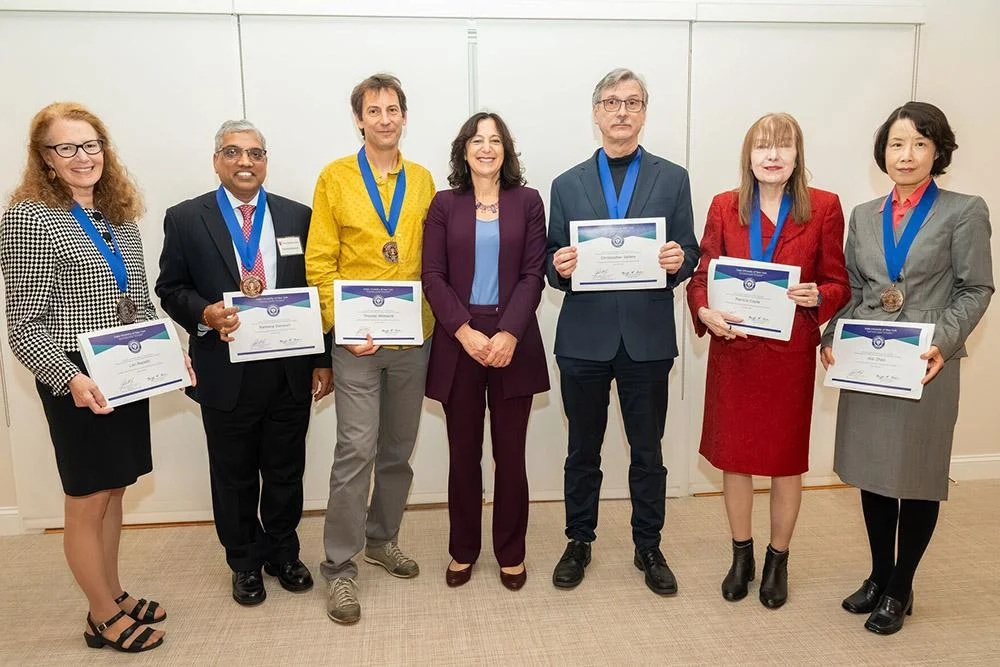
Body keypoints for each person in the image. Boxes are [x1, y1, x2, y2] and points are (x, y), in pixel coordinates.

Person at [0, 102, 190, 652]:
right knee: (85, 497)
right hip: (78, 380)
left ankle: (110, 593)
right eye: (67, 148)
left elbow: (138, 303)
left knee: (116, 488)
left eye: (91, 145)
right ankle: (102, 616)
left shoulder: (117, 214)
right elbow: (24, 327)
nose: (83, 158)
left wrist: (174, 349)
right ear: (45, 158)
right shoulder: (28, 217)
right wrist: (70, 379)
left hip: (125, 369)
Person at [821, 102, 993, 635]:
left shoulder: (964, 210)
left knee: (916, 476)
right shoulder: (863, 214)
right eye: (897, 144)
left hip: (925, 363)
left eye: (919, 143)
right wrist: (832, 334)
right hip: (870, 359)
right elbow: (852, 290)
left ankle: (901, 587)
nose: (906, 154)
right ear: (883, 152)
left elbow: (976, 288)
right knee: (873, 473)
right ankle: (878, 574)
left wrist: (941, 343)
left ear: (938, 151)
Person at [155, 120, 332, 607]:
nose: (245, 162)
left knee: (284, 469)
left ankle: (282, 551)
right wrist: (205, 314)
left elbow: (316, 292)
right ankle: (243, 561)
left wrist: (322, 359)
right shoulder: (187, 217)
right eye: (233, 152)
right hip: (225, 369)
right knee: (232, 474)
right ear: (217, 160)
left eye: (255, 153)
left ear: (266, 161)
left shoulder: (298, 216)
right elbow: (169, 288)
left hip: (288, 369)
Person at [686, 112, 851, 608]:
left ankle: (779, 559)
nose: (772, 155)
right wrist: (705, 310)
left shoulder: (823, 207)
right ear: (749, 156)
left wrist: (816, 296)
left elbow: (839, 283)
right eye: (762, 146)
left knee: (784, 465)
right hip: (734, 353)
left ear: (798, 154)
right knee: (735, 462)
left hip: (788, 356)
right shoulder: (723, 206)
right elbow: (700, 277)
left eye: (783, 145)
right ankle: (742, 556)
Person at [546, 68, 700, 595]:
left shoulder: (672, 177)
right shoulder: (566, 184)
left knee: (648, 452)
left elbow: (689, 250)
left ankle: (648, 545)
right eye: (611, 102)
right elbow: (548, 257)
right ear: (596, 112)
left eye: (632, 102)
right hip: (584, 340)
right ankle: (578, 540)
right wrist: (558, 265)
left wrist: (680, 261)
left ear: (644, 112)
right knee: (582, 451)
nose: (621, 111)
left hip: (647, 339)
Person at [306, 73, 435, 624]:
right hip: (355, 343)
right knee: (355, 449)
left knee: (398, 449)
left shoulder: (425, 180)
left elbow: (438, 259)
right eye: (373, 110)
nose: (384, 118)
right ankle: (339, 566)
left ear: (404, 117)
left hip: (414, 337)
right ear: (359, 119)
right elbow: (319, 263)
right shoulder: (334, 178)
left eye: (393, 109)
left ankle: (382, 539)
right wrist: (339, 325)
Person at [422, 112, 549, 591]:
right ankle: (463, 550)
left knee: (511, 456)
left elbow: (533, 273)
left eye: (496, 140)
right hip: (461, 339)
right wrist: (464, 331)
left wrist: (510, 332)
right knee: (463, 455)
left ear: (506, 150)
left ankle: (511, 552)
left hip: (513, 337)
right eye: (477, 139)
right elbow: (431, 275)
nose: (486, 147)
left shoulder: (529, 201)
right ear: (464, 149)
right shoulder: (443, 204)